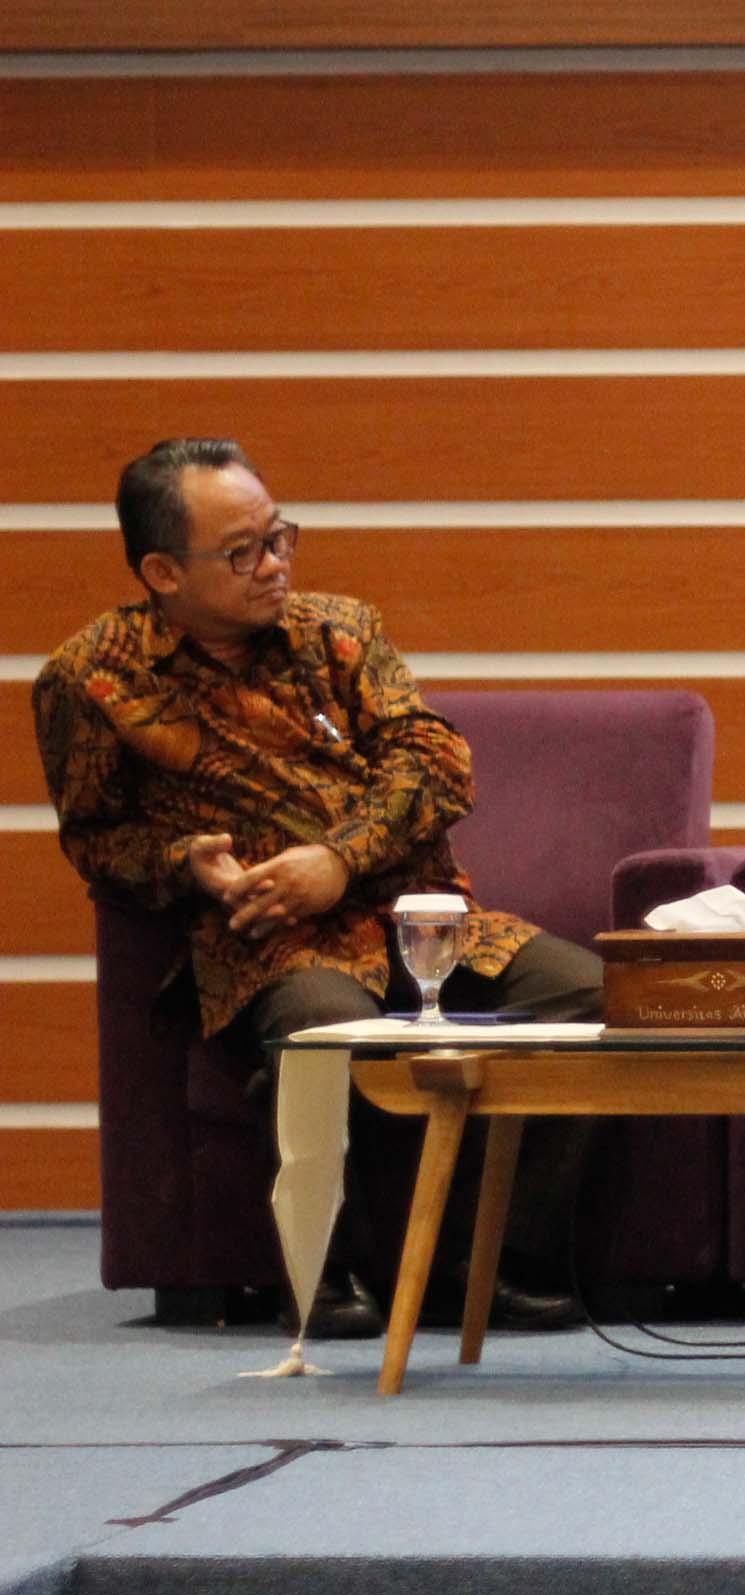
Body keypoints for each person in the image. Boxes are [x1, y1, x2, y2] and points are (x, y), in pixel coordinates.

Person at [32, 439, 600, 1338]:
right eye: (244, 551)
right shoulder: (91, 677)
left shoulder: (339, 631)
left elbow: (439, 763)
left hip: (414, 914)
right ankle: (324, 1266)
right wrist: (185, 863)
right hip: (266, 939)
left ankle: (491, 1259)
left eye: (280, 537)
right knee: (324, 1028)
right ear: (161, 571)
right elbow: (97, 837)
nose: (275, 565)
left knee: (586, 996)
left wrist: (338, 857)